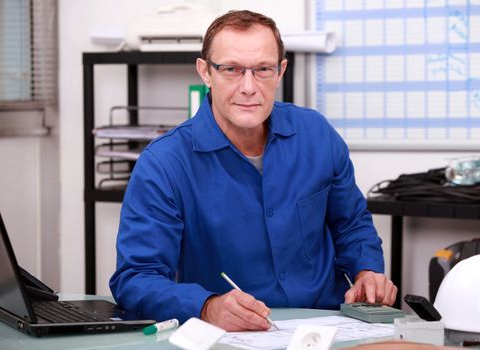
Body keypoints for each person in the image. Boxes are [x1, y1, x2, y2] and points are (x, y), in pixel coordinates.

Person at [110, 9, 397, 332]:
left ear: (280, 71)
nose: (248, 87)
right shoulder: (164, 163)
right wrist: (207, 306)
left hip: (327, 327)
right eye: (231, 69)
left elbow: (352, 225)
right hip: (231, 335)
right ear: (205, 72)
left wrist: (366, 271)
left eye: (262, 69)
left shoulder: (317, 134)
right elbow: (135, 278)